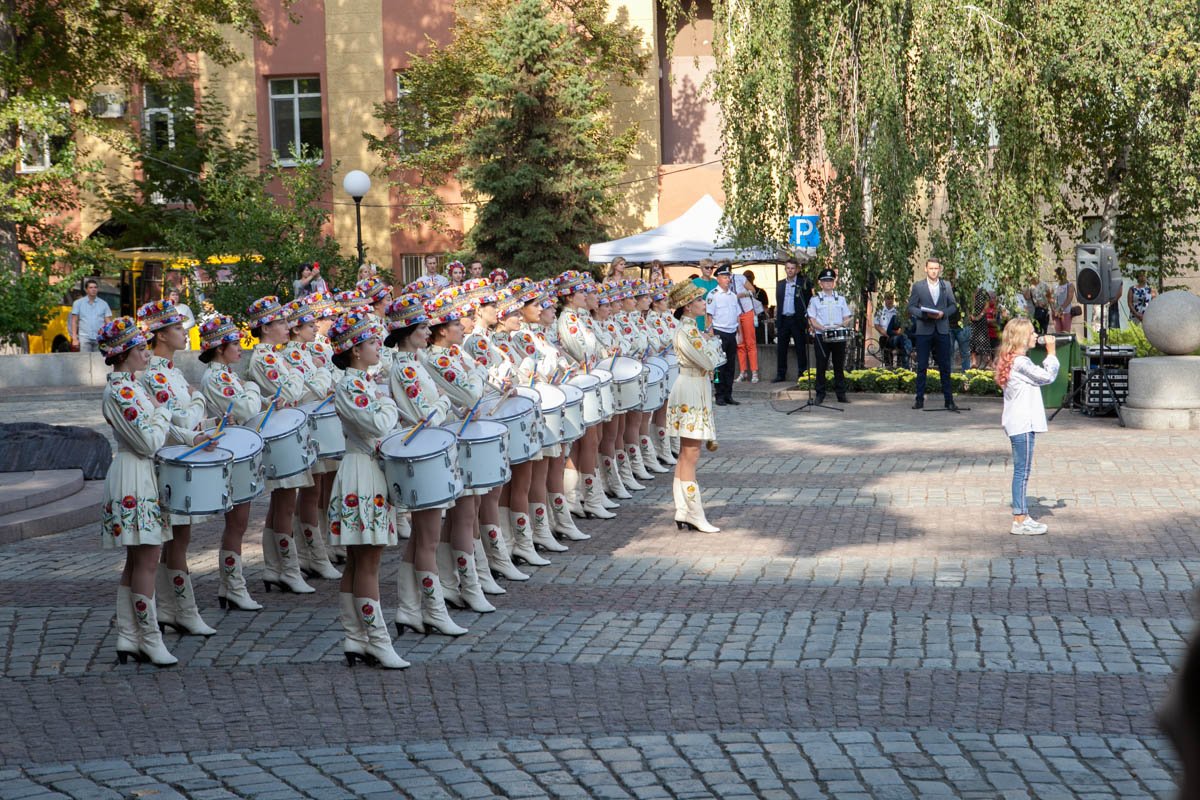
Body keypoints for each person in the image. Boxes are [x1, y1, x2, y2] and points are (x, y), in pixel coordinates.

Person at [328, 307, 409, 669]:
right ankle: (375, 639)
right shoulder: (351, 384)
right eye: (372, 342)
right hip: (361, 473)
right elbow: (378, 424)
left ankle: (356, 637)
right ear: (355, 351)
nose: (379, 346)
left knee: (360, 562)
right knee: (368, 563)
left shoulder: (362, 383)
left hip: (365, 470)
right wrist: (390, 403)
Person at [97, 317, 178, 667]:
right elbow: (147, 440)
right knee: (147, 558)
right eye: (141, 349)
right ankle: (149, 637)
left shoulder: (133, 386)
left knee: (138, 560)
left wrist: (195, 436)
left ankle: (128, 635)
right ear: (125, 354)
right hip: (133, 474)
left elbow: (162, 430)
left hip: (140, 472)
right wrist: (164, 411)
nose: (147, 354)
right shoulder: (120, 391)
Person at [197, 314, 264, 611]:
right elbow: (248, 407)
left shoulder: (226, 374)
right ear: (220, 348)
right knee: (236, 522)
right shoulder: (217, 376)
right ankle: (232, 584)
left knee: (240, 521)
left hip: (236, 447)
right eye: (234, 343)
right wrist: (251, 388)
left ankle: (232, 583)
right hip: (229, 450)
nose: (240, 348)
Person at [665, 280, 723, 533]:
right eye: (699, 300)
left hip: (694, 385)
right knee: (691, 452)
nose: (703, 303)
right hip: (690, 388)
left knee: (687, 452)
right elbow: (710, 360)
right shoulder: (687, 331)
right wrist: (712, 345)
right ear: (687, 306)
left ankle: (683, 509)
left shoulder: (691, 330)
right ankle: (694, 512)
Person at [994, 318, 1057, 535]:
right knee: (1022, 472)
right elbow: (1047, 376)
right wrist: (1051, 352)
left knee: (1022, 471)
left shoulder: (1013, 360)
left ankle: (1023, 515)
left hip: (1018, 421)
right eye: (1031, 333)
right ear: (1021, 337)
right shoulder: (1020, 362)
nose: (1034, 336)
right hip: (1022, 423)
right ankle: (1019, 519)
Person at [906, 257, 958, 410]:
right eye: (931, 268)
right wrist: (923, 314)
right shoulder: (918, 286)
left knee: (945, 366)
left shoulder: (945, 285)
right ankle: (919, 399)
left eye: (936, 268)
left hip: (941, 329)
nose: (934, 271)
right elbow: (911, 307)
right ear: (926, 269)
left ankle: (949, 400)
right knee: (922, 365)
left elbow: (953, 305)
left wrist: (944, 313)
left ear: (939, 269)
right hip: (924, 330)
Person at [807, 267, 853, 404]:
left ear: (834, 283)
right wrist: (822, 328)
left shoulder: (841, 299)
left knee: (839, 366)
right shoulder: (815, 300)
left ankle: (841, 394)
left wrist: (840, 325)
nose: (828, 283)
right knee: (821, 366)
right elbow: (811, 319)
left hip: (838, 336)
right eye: (825, 281)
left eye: (830, 281)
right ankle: (820, 394)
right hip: (822, 336)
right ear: (820, 283)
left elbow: (848, 317)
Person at [704, 263, 741, 406]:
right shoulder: (713, 295)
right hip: (719, 332)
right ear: (718, 278)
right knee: (719, 366)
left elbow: (737, 315)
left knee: (731, 366)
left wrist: (739, 333)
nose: (727, 279)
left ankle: (728, 394)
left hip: (731, 332)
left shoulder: (733, 296)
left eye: (728, 276)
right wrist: (711, 335)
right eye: (724, 277)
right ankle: (719, 394)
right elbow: (709, 317)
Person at [774, 259, 811, 382]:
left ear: (796, 270)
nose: (790, 270)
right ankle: (781, 374)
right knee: (781, 348)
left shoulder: (803, 283)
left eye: (792, 268)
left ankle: (802, 374)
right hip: (783, 319)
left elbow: (808, 300)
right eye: (788, 268)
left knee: (800, 348)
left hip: (797, 319)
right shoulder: (780, 284)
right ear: (785, 269)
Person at [732, 270, 761, 383]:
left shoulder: (739, 278)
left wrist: (741, 294)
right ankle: (743, 372)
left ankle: (754, 372)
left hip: (747, 311)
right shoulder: (722, 284)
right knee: (740, 344)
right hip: (735, 314)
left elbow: (752, 290)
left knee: (750, 342)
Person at [69, 277, 112, 352]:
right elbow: (74, 322)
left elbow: (108, 323)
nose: (93, 289)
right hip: (84, 338)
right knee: (84, 361)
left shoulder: (104, 304)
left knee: (98, 361)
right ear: (86, 290)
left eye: (95, 287)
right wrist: (74, 338)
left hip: (100, 339)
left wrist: (111, 338)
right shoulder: (78, 303)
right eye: (91, 287)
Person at [872, 293, 912, 367]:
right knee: (884, 342)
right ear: (884, 299)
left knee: (901, 341)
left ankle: (900, 365)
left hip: (896, 335)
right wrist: (884, 332)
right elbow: (876, 324)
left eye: (891, 298)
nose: (890, 300)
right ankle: (888, 365)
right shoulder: (880, 310)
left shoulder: (897, 311)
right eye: (888, 298)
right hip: (884, 335)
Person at [945, 270, 971, 371]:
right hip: (948, 326)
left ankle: (966, 378)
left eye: (952, 275)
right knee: (948, 353)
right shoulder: (943, 289)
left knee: (965, 353)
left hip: (962, 326)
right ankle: (950, 377)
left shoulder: (961, 288)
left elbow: (970, 300)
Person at [691, 259, 718, 332]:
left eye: (711, 268)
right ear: (701, 268)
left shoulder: (716, 282)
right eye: (707, 267)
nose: (709, 269)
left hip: (714, 315)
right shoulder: (694, 282)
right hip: (700, 315)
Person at [969, 286, 992, 369]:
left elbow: (987, 305)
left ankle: (989, 362)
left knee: (984, 340)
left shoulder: (983, 291)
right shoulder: (967, 290)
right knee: (972, 339)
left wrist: (980, 315)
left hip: (981, 320)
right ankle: (974, 362)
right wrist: (970, 315)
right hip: (971, 320)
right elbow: (966, 304)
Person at [1051, 266, 1075, 333]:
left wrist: (1061, 309)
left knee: (1065, 333)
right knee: (1057, 332)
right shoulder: (1055, 285)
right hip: (1056, 312)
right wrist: (1053, 309)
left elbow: (1069, 299)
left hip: (1065, 312)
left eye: (1056, 274)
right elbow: (1051, 298)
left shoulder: (1069, 285)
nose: (1055, 276)